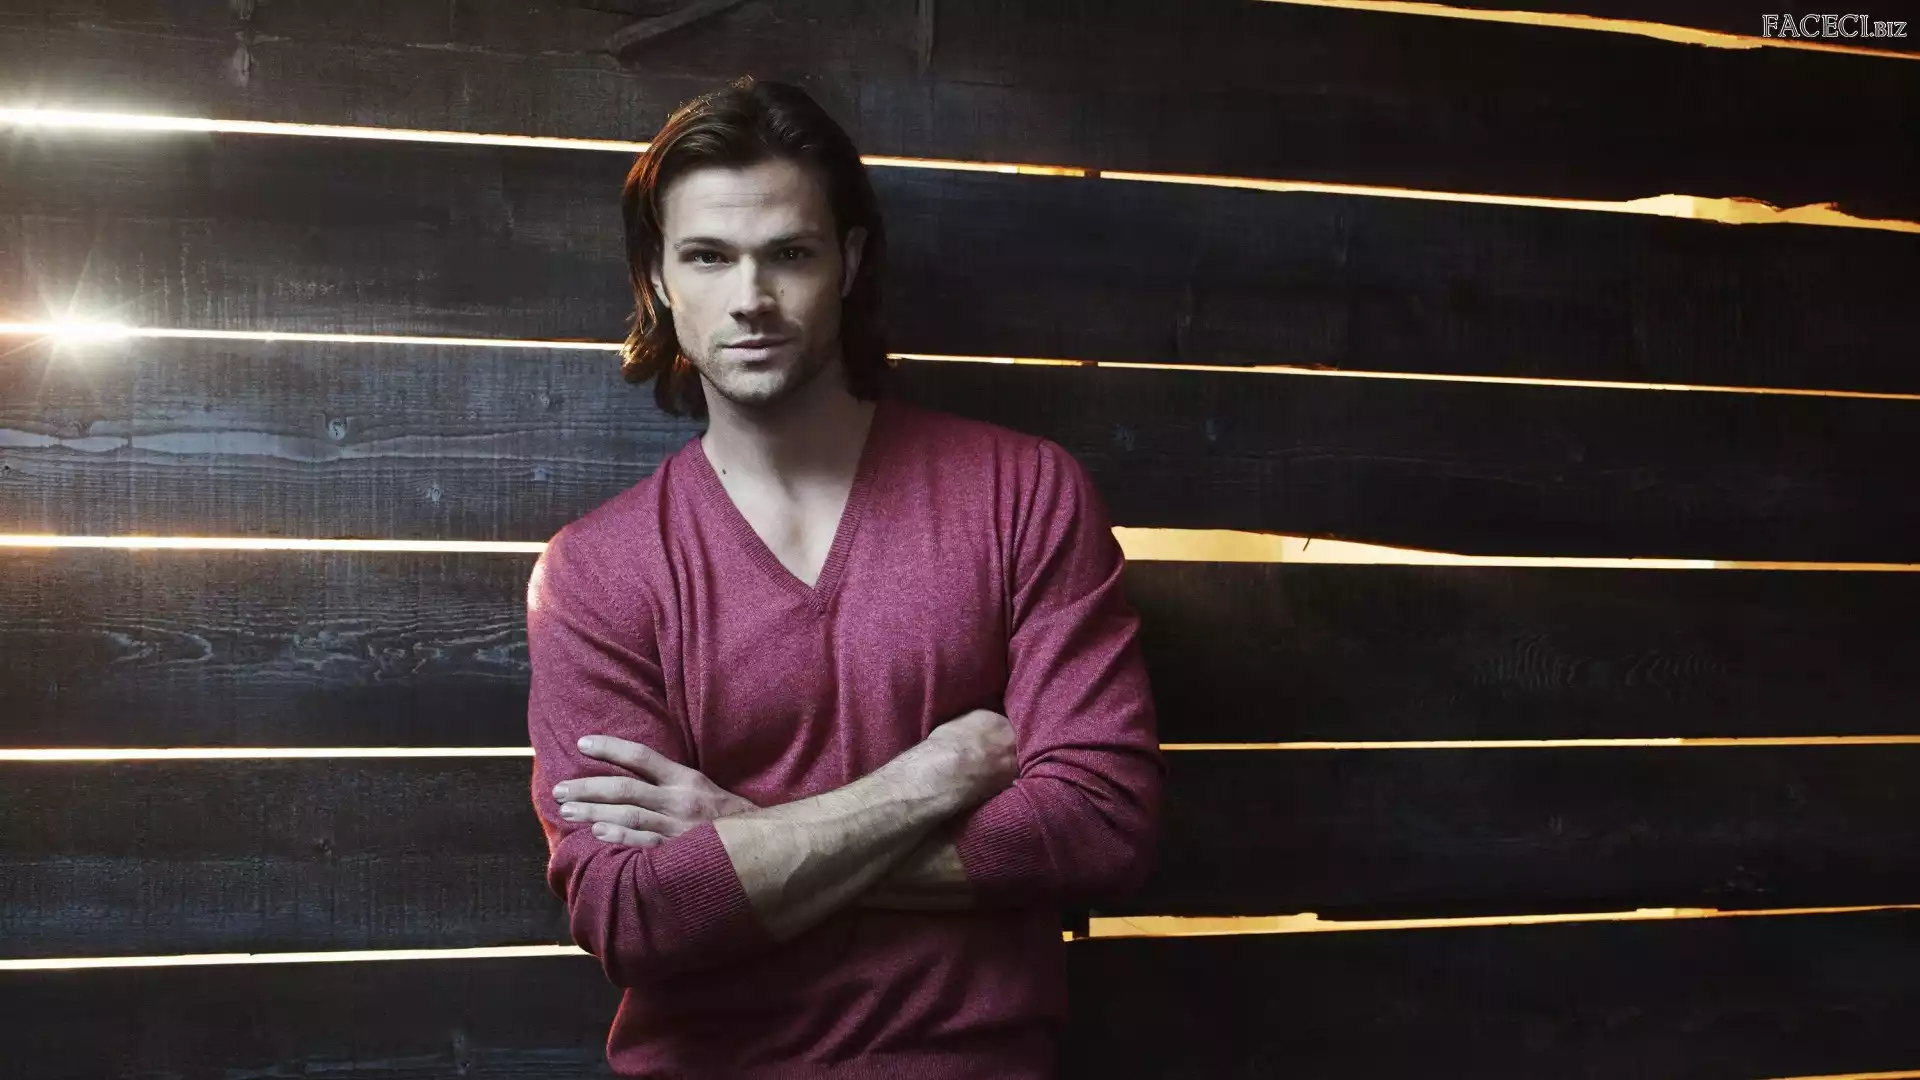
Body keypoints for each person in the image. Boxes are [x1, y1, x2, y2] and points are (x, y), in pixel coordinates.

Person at [524, 75, 1164, 1079]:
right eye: (708, 255)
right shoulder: (598, 570)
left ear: (850, 262)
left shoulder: (1022, 493)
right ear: (659, 277)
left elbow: (1100, 822)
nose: (751, 298)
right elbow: (631, 912)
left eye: (790, 253)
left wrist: (739, 838)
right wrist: (925, 783)